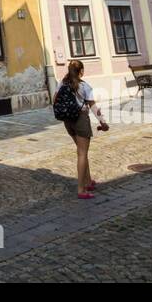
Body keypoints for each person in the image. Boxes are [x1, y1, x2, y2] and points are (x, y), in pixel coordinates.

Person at [60, 58, 108, 199]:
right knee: (82, 153)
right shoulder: (84, 86)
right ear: (81, 71)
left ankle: (88, 181)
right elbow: (93, 107)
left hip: (67, 120)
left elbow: (55, 99)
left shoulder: (62, 83)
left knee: (81, 151)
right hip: (80, 119)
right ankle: (81, 189)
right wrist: (103, 122)